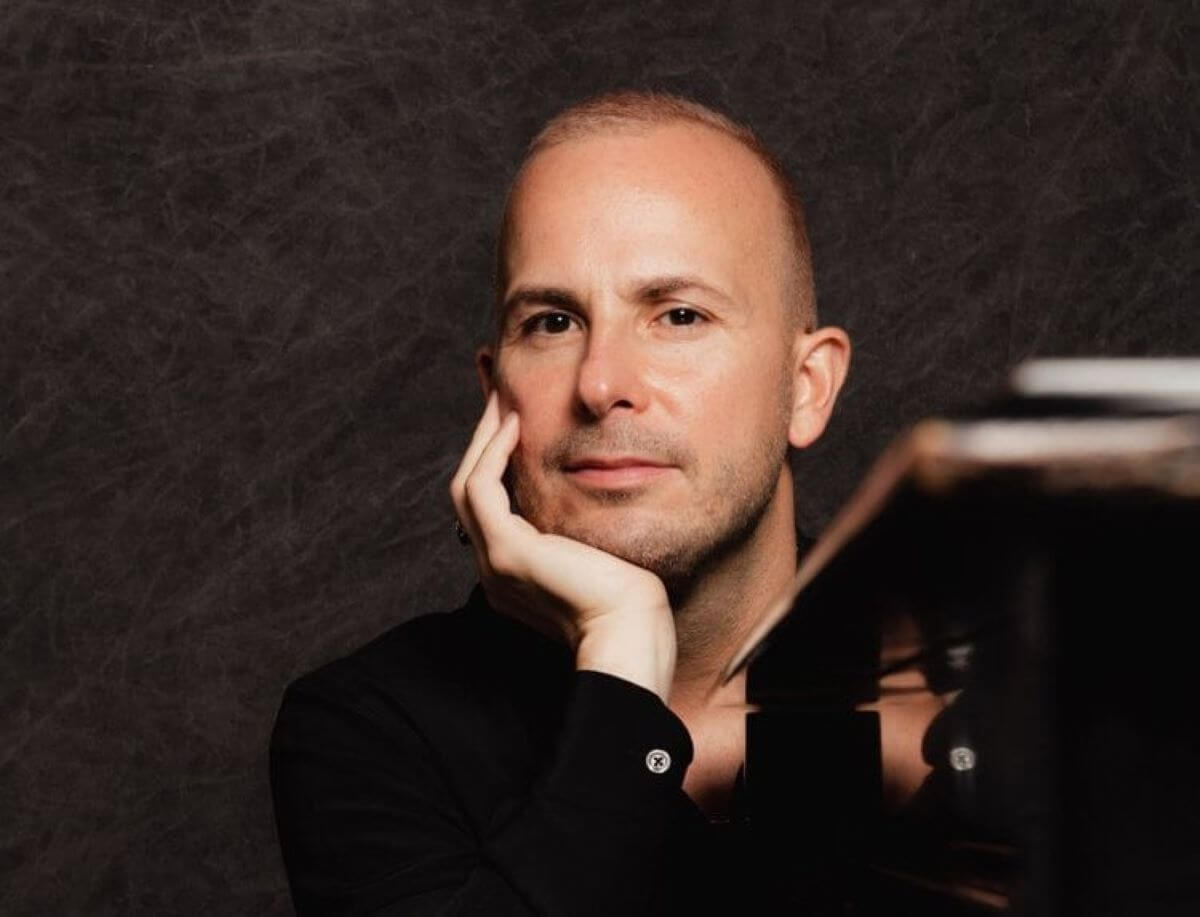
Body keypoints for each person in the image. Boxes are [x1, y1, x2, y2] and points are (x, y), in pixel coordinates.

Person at [270, 90, 851, 915]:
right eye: (551, 323)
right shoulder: (370, 730)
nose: (601, 383)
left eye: (679, 315)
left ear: (806, 387)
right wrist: (622, 657)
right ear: (495, 393)